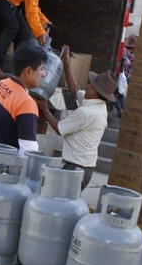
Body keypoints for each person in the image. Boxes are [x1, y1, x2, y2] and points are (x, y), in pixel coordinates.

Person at [36, 45, 115, 190]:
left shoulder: (87, 112)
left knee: (58, 205)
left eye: (91, 85)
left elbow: (59, 129)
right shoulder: (98, 105)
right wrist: (66, 64)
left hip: (76, 169)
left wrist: (44, 107)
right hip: (82, 168)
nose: (88, 86)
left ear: (95, 92)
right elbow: (75, 91)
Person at [0, 45, 47, 155]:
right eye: (41, 69)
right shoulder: (26, 103)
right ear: (28, 71)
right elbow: (28, 152)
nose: (44, 74)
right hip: (4, 167)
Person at [115, 34, 136, 116]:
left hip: (123, 76)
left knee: (117, 94)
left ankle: (121, 111)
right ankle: (121, 111)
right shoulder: (127, 52)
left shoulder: (130, 53)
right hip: (123, 76)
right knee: (119, 94)